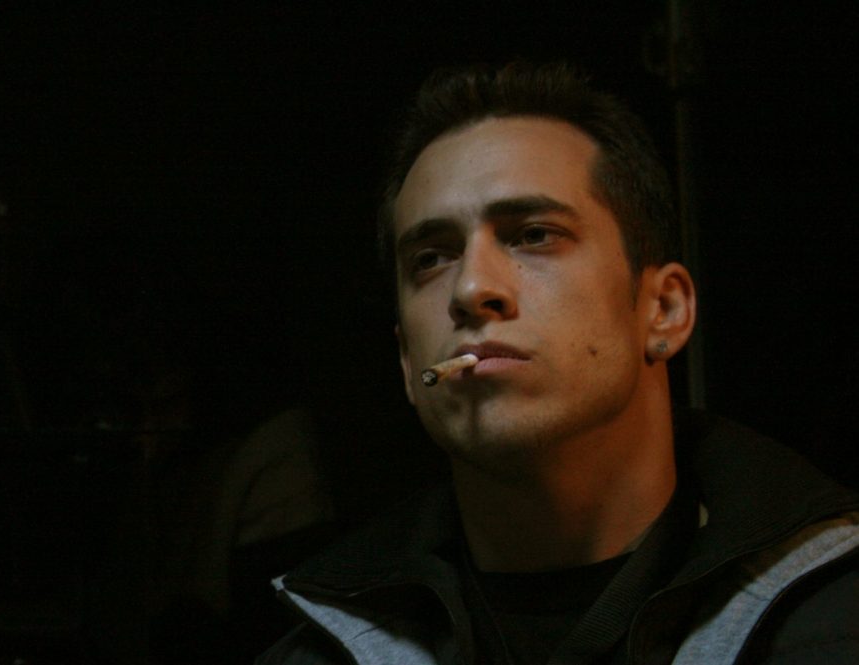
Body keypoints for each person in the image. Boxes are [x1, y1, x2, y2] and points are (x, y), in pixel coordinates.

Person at [257, 62, 859, 665]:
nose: (471, 288)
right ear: (407, 359)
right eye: (432, 257)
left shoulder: (836, 624)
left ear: (664, 311)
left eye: (534, 235)